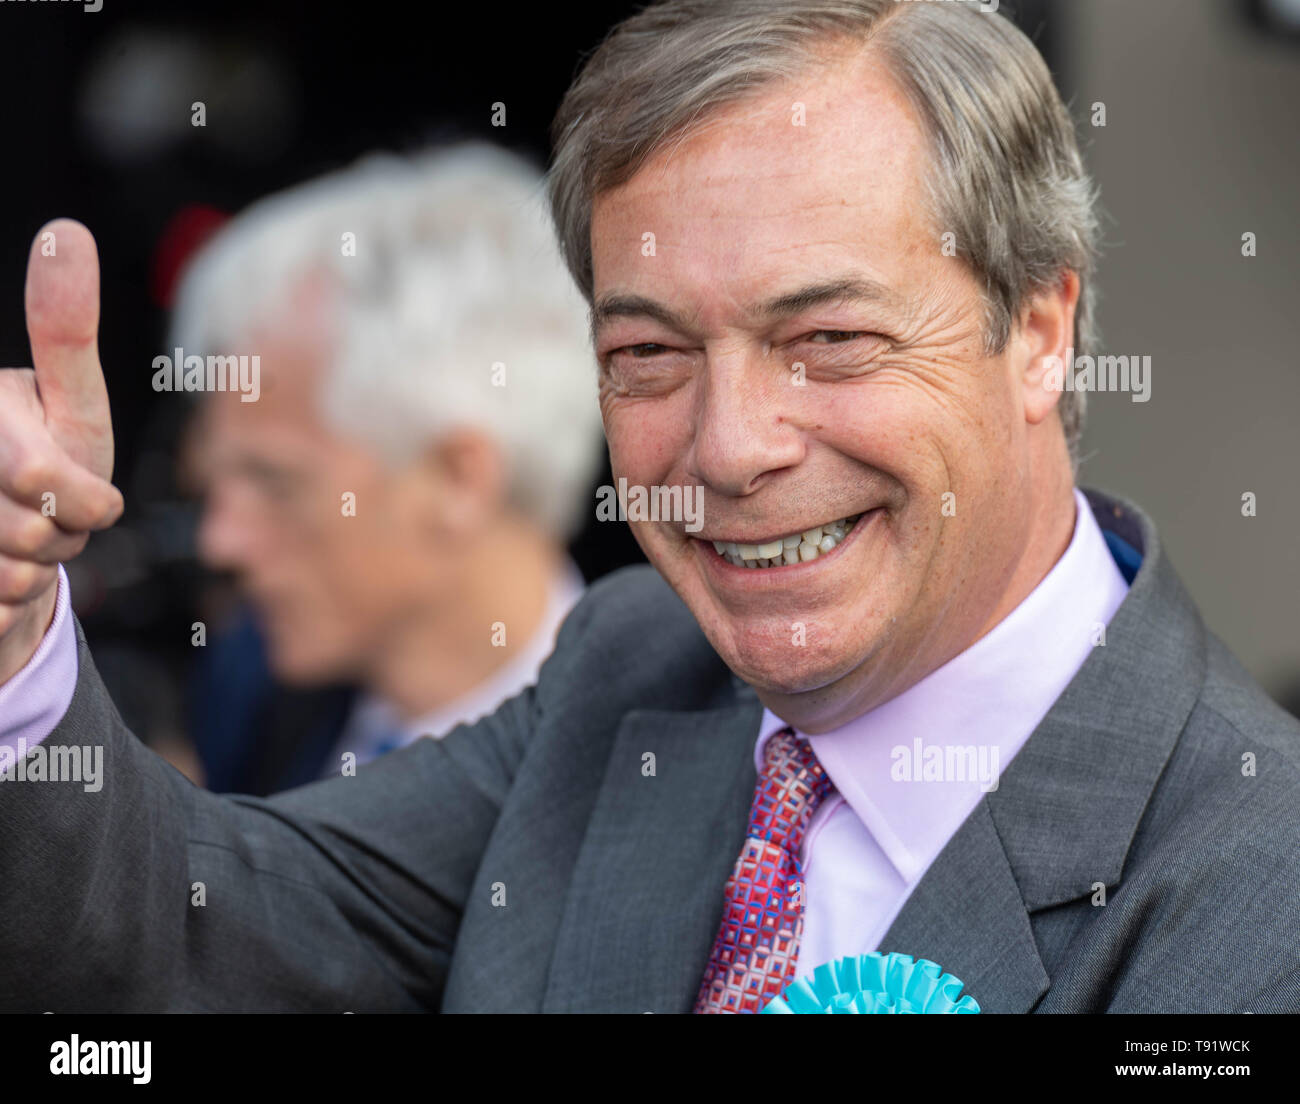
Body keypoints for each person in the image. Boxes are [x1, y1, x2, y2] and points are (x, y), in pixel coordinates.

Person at [1, 0, 1298, 1013]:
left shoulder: (1258, 877)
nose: (727, 448)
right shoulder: (633, 671)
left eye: (830, 339)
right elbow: (194, 939)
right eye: (649, 358)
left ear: (1040, 332)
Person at [167, 145, 598, 793]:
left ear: (457, 480)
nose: (220, 541)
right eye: (218, 484)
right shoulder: (246, 691)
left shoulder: (654, 773)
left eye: (276, 484)